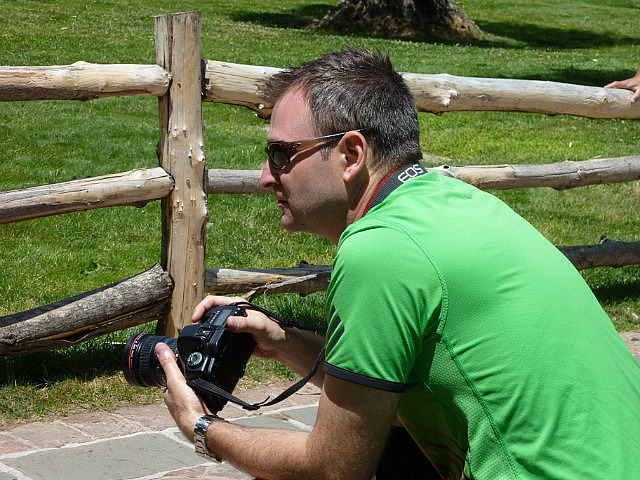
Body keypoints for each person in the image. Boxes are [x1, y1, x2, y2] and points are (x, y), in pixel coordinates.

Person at [156, 48, 640, 479]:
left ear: (350, 153)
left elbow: (334, 468)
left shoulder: (380, 251)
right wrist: (286, 342)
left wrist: (201, 427)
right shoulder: (453, 200)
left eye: (281, 154)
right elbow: (381, 385)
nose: (266, 177)